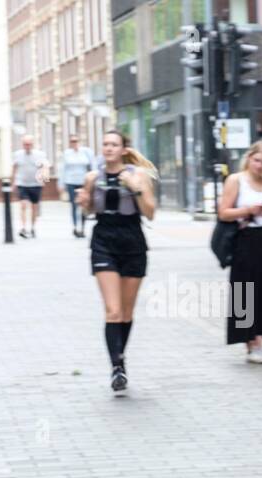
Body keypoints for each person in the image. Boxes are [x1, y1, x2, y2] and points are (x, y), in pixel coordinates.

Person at [76, 130, 157, 393]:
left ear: (123, 150)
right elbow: (89, 210)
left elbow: (150, 213)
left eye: (114, 144)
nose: (108, 148)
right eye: (105, 144)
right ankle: (117, 367)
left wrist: (135, 189)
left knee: (126, 312)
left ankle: (120, 356)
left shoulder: (138, 175)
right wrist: (84, 203)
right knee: (112, 310)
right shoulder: (93, 177)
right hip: (103, 241)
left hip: (132, 241)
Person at [218, 140, 262, 363]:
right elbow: (223, 212)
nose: (259, 165)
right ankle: (249, 343)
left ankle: (260, 340)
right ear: (249, 158)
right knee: (244, 290)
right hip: (244, 238)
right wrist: (249, 210)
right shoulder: (236, 180)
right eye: (256, 160)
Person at [59, 134, 96, 238]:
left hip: (83, 182)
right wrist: (61, 184)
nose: (74, 143)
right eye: (72, 141)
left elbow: (93, 165)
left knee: (84, 204)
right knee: (74, 205)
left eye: (75, 141)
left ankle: (83, 228)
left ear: (79, 141)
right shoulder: (67, 153)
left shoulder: (86, 152)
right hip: (70, 182)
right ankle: (75, 227)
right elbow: (63, 169)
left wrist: (93, 180)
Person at [12, 135, 48, 238]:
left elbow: (44, 167)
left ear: (32, 144)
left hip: (36, 184)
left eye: (28, 144)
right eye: (25, 144)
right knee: (23, 205)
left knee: (34, 207)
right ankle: (23, 228)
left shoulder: (40, 154)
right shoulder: (17, 154)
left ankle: (32, 227)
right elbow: (14, 168)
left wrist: (44, 179)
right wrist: (13, 182)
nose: (26, 146)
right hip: (22, 184)